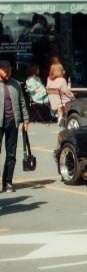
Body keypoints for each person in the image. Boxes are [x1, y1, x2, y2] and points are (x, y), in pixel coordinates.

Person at [0, 59, 30, 193]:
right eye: (5, 71)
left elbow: (22, 102)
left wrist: (26, 120)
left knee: (11, 154)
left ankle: (8, 182)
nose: (8, 73)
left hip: (13, 122)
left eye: (10, 71)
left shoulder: (16, 84)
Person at [45, 62, 73, 128]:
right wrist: (72, 95)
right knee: (74, 100)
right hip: (62, 102)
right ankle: (68, 117)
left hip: (53, 102)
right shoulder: (62, 80)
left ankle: (60, 116)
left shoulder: (49, 79)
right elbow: (67, 92)